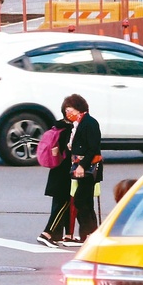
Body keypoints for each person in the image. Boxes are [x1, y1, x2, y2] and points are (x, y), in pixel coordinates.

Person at [64, 95, 103, 245]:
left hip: (88, 167)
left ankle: (91, 232)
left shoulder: (90, 123)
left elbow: (93, 148)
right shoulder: (79, 123)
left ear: (78, 108)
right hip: (83, 166)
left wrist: (82, 165)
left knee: (80, 200)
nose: (68, 113)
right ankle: (89, 234)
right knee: (86, 201)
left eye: (70, 110)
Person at [38, 108, 73, 249]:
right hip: (65, 173)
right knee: (63, 203)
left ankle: (58, 235)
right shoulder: (68, 131)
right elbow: (69, 150)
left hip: (57, 171)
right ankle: (47, 233)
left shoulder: (58, 127)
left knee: (60, 204)